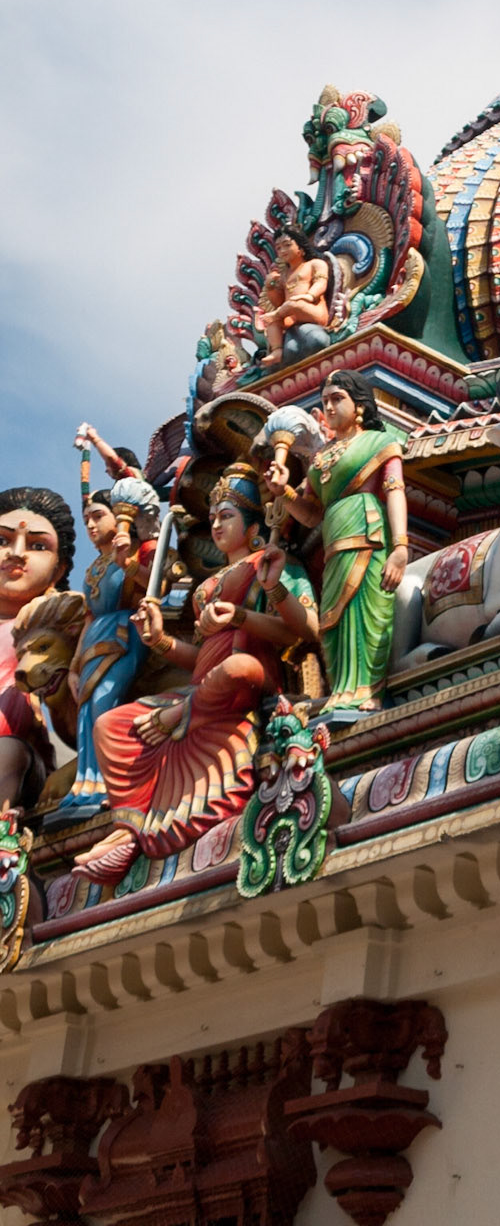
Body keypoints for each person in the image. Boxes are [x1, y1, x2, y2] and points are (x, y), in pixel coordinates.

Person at [72, 465, 317, 884]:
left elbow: (305, 629)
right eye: (215, 516)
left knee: (236, 667)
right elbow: (202, 657)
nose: (218, 524)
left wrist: (249, 608)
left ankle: (179, 717)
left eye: (228, 515)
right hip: (204, 690)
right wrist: (161, 641)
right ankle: (127, 828)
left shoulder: (272, 562)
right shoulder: (208, 587)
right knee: (110, 725)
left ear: (254, 525)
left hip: (247, 680)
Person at [265, 370, 408, 718]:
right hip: (334, 546)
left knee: (367, 614)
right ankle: (342, 691)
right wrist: (282, 490)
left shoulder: (379, 442)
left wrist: (401, 547)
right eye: (325, 400)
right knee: (332, 622)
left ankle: (368, 692)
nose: (328, 406)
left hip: (368, 538)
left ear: (359, 405)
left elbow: (394, 491)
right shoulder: (320, 457)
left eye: (337, 399)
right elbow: (312, 514)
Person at [55, 490, 152, 816]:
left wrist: (129, 564)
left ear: (118, 516)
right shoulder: (93, 567)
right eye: (87, 521)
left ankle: (116, 784)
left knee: (104, 706)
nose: (91, 526)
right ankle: (88, 785)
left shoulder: (136, 551)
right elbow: (89, 617)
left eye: (98, 516)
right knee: (85, 714)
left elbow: (158, 587)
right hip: (95, 637)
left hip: (125, 631)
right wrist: (73, 666)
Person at [0, 490, 74, 809]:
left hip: (18, 763)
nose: (15, 554)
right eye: (2, 540)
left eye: (38, 545)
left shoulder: (58, 633)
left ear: (58, 570)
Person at [257, 227, 332, 367]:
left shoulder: (314, 264)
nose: (283, 250)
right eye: (279, 248)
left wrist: (309, 296)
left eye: (287, 245)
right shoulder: (285, 275)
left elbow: (321, 282)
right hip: (292, 317)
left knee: (290, 306)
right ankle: (277, 351)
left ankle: (280, 316)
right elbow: (278, 302)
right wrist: (271, 287)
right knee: (272, 320)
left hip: (312, 311)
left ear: (301, 247)